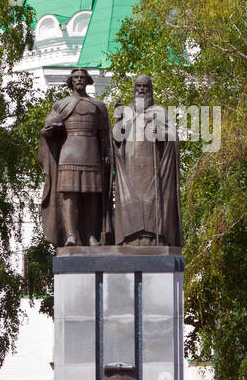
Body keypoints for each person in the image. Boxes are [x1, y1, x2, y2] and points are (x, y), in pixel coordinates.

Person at [39, 68, 113, 247]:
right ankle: (71, 235)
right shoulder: (60, 105)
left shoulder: (98, 106)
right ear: (71, 81)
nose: (79, 80)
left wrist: (108, 153)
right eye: (76, 77)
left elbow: (105, 134)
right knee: (69, 196)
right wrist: (48, 132)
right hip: (68, 154)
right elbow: (50, 128)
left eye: (82, 77)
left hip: (91, 154)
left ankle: (91, 236)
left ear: (88, 81)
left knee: (92, 196)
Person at [112, 74, 183, 247]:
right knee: (132, 200)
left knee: (151, 200)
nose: (142, 89)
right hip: (131, 166)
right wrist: (118, 122)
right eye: (139, 86)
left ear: (150, 89)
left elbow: (173, 137)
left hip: (152, 164)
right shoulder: (127, 112)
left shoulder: (159, 112)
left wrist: (159, 129)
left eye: (145, 86)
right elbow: (116, 138)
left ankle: (152, 237)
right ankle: (131, 238)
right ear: (134, 89)